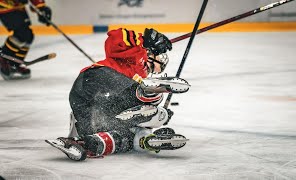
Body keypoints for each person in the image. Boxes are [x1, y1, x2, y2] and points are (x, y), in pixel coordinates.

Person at [46, 28, 190, 161]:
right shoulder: (135, 56)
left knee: (119, 132)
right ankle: (151, 96)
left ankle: (86, 143)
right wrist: (145, 39)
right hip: (96, 77)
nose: (155, 68)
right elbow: (115, 38)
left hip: (85, 103)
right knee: (145, 100)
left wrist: (149, 121)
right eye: (158, 61)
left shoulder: (139, 75)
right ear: (149, 53)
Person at [0, 0, 52, 80]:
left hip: (18, 7)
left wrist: (41, 7)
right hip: (4, 5)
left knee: (28, 36)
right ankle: (4, 59)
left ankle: (14, 63)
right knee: (22, 33)